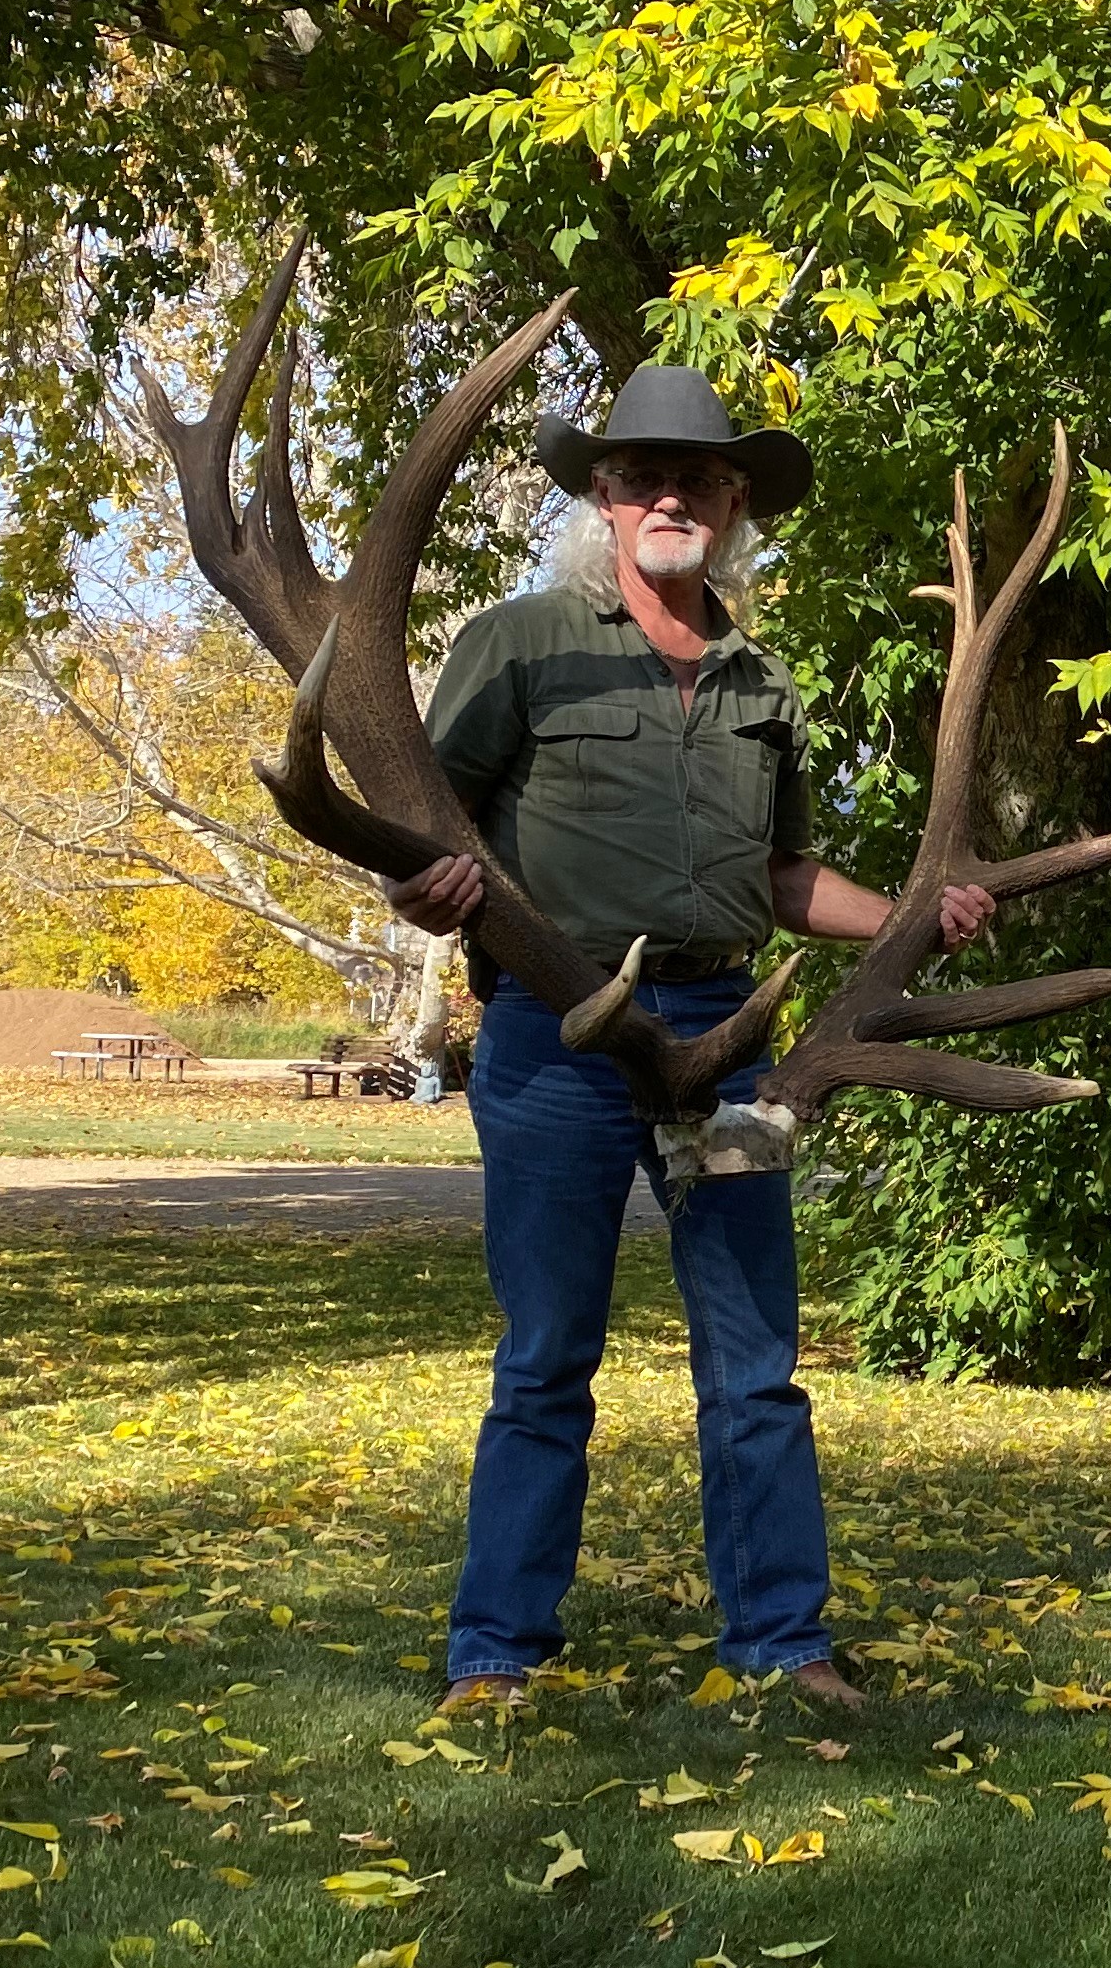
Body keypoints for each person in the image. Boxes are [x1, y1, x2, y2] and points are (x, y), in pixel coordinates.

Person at [380, 364, 997, 1723]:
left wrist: (911, 916)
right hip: (557, 1035)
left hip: (722, 1042)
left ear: (732, 508)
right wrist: (415, 887)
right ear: (604, 497)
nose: (672, 497)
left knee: (754, 1361)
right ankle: (495, 1655)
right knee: (548, 1356)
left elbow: (781, 877)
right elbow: (423, 824)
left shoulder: (761, 682)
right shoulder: (519, 643)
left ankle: (783, 1640)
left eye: (700, 479)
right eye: (644, 476)